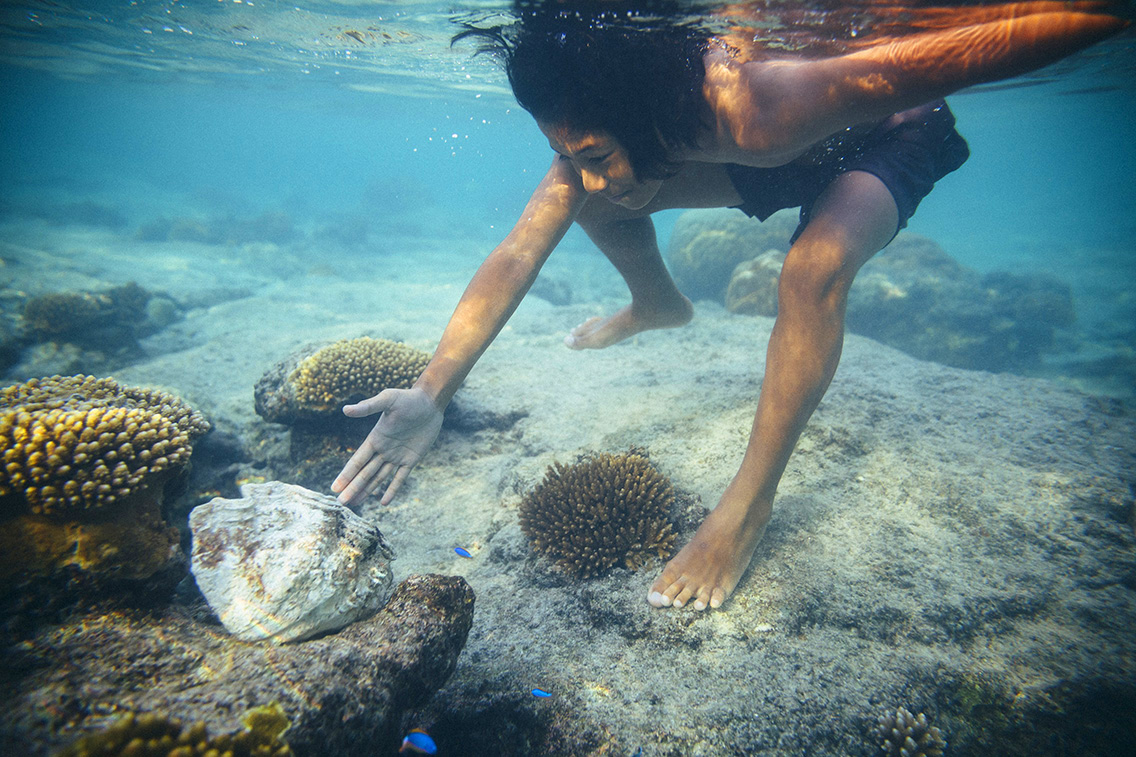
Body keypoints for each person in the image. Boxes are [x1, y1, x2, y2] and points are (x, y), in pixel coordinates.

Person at [332, 2, 1126, 611]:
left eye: (597, 153)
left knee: (810, 269)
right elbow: (514, 253)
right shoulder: (610, 123)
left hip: (885, 139)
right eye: (571, 154)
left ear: (642, 115)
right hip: (771, 166)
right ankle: (658, 304)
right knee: (592, 204)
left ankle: (747, 507)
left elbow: (961, 54)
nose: (590, 173)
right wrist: (432, 390)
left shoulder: (758, 102)